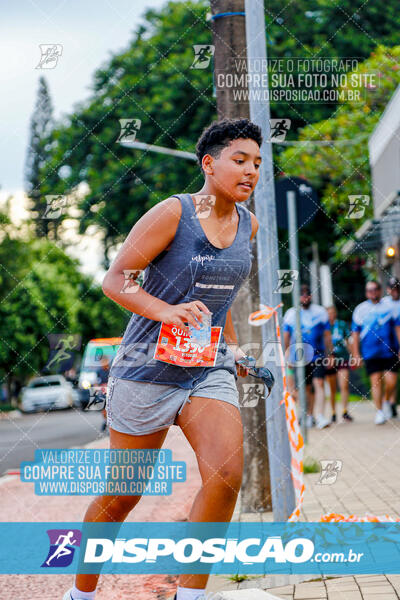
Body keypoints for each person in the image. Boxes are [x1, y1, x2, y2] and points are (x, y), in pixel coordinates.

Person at [63, 118, 263, 600]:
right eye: (240, 160)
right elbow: (116, 280)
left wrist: (234, 351)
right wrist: (166, 311)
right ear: (209, 164)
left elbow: (223, 299)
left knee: (226, 475)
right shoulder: (173, 213)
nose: (251, 171)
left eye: (257, 163)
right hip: (146, 369)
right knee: (122, 495)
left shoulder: (248, 224)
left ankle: (191, 595)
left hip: (205, 368)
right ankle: (81, 594)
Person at [283, 285, 333, 430]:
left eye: (307, 294)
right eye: (302, 294)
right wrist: (287, 354)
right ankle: (308, 415)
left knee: (319, 383)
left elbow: (327, 336)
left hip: (317, 355)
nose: (305, 297)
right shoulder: (291, 314)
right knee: (305, 389)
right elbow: (286, 337)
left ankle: (320, 416)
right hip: (298, 357)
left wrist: (330, 354)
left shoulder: (320, 312)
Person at [351, 280, 400, 425]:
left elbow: (398, 328)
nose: (373, 292)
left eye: (375, 289)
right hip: (370, 352)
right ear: (366, 293)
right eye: (370, 290)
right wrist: (356, 354)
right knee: (376, 381)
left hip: (389, 350)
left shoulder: (390, 307)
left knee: (392, 381)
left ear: (380, 290)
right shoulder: (360, 309)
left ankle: (386, 402)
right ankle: (379, 411)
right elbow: (355, 334)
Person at [325, 306, 353, 423]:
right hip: (328, 359)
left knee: (344, 384)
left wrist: (353, 356)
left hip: (342, 357)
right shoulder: (324, 326)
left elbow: (348, 341)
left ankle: (345, 411)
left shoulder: (341, 325)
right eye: (329, 313)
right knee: (332, 388)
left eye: (333, 313)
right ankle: (333, 412)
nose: (331, 315)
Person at [381, 276, 400, 418]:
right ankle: (388, 401)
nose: (395, 291)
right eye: (393, 288)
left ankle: (391, 402)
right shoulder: (383, 304)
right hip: (390, 347)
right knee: (391, 380)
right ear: (388, 289)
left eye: (397, 288)